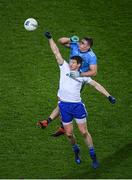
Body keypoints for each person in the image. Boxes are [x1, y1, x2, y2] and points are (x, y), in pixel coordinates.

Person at [39, 32, 116, 168]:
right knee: (69, 134)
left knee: (83, 132)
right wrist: (50, 39)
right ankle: (76, 150)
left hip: (77, 106)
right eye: (71, 61)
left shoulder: (82, 76)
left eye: (74, 62)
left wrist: (109, 96)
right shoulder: (64, 68)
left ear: (79, 65)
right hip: (64, 106)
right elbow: (56, 52)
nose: (71, 63)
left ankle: (93, 156)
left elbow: (96, 85)